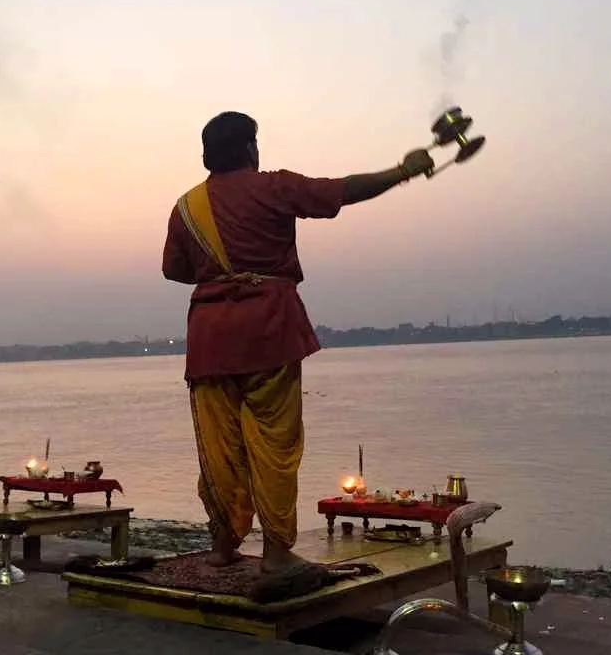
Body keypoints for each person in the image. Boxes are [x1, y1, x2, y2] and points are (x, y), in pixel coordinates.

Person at [162, 111, 438, 575]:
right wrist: (403, 171)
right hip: (268, 330)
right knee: (274, 443)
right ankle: (275, 552)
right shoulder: (272, 187)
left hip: (209, 338)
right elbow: (343, 191)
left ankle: (223, 544)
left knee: (219, 447)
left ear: (208, 154)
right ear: (250, 148)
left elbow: (174, 269)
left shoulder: (186, 206)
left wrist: (219, 275)